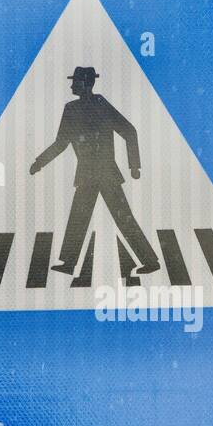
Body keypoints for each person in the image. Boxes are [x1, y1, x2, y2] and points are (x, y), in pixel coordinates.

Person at [30, 66, 160, 276]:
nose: (72, 85)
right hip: (87, 174)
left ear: (87, 84)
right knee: (78, 217)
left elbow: (129, 131)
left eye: (76, 81)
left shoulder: (101, 105)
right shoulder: (70, 109)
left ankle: (150, 261)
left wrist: (134, 165)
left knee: (123, 217)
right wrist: (39, 162)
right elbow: (61, 143)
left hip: (107, 173)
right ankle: (69, 263)